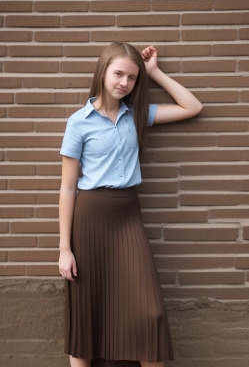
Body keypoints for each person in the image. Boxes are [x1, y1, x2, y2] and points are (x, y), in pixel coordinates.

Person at [59, 42, 202, 367]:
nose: (124, 82)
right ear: (103, 72)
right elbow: (68, 187)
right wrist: (64, 248)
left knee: (150, 313)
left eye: (132, 78)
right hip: (89, 219)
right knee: (87, 312)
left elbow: (192, 106)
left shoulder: (137, 114)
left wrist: (155, 74)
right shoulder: (78, 122)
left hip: (127, 217)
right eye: (118, 73)